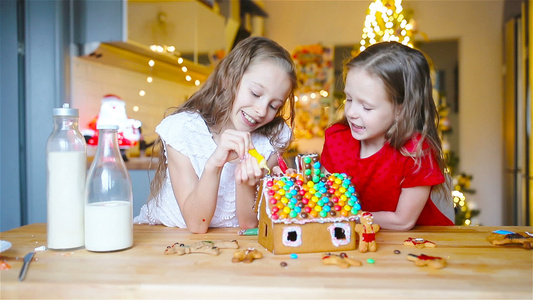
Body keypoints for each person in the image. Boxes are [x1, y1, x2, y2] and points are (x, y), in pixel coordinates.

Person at [134, 37, 297, 233]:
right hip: (166, 238)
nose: (262, 110)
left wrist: (245, 184)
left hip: (229, 245)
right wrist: (214, 164)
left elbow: (249, 225)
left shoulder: (269, 141)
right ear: (230, 78)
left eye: (274, 106)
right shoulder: (183, 131)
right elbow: (197, 224)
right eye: (255, 93)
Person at [321, 41, 454, 231]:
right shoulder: (336, 140)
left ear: (402, 109)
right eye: (349, 99)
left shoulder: (416, 153)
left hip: (416, 245)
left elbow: (403, 221)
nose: (351, 112)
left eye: (366, 107)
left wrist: (350, 217)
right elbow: (328, 201)